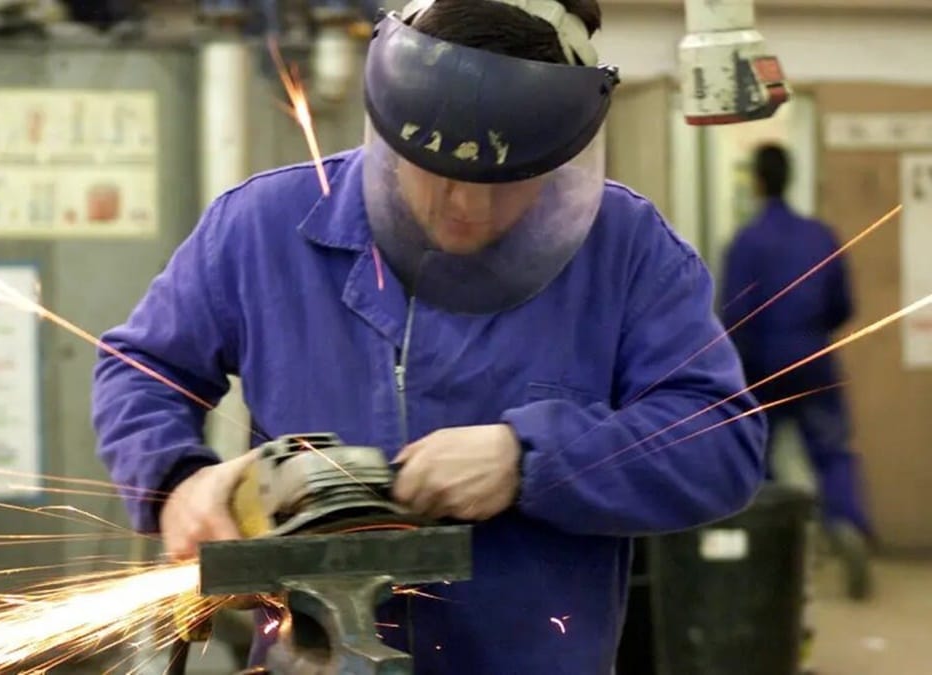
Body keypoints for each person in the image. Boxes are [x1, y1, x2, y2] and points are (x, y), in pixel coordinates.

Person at [92, 0, 768, 672]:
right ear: (394, 129)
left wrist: (529, 458)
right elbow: (140, 367)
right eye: (440, 172)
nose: (469, 207)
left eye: (507, 178)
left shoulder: (627, 252)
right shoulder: (261, 228)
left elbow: (720, 446)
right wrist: (178, 481)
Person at [721, 142, 874, 600]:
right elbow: (842, 305)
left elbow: (734, 316)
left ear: (759, 182)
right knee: (831, 451)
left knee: (756, 456)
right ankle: (846, 524)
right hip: (815, 362)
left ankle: (765, 551)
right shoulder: (821, 236)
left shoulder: (746, 243)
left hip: (763, 367)